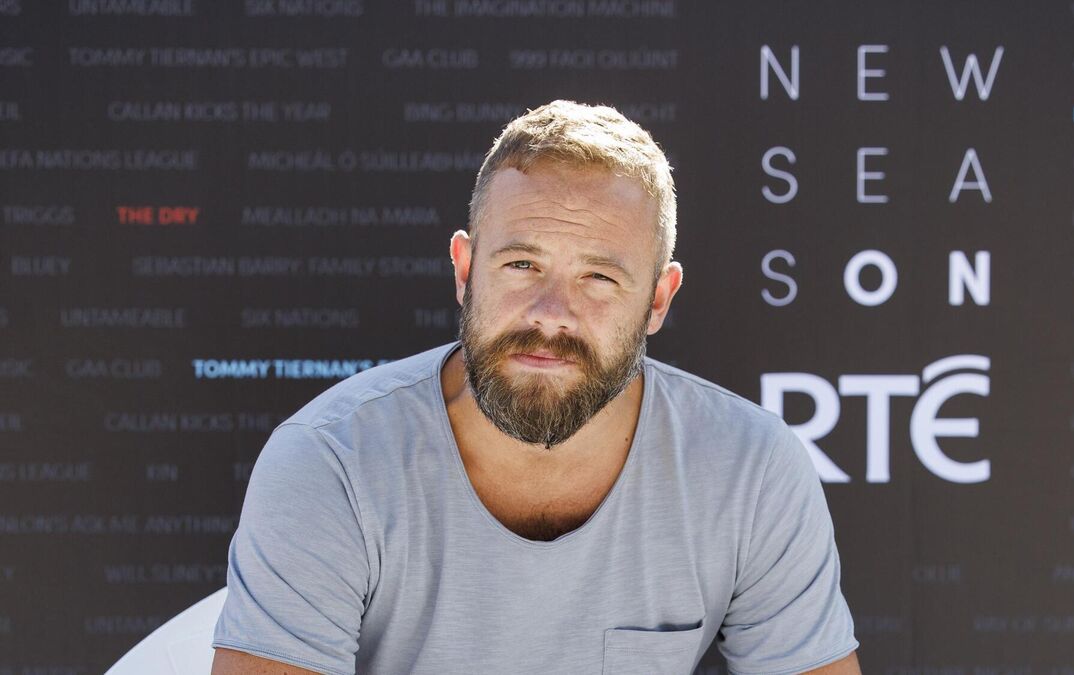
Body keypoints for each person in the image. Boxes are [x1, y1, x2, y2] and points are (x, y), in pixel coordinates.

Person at [211, 100, 860, 674]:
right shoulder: (331, 463)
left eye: (599, 278)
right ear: (465, 270)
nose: (552, 314)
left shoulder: (751, 470)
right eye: (522, 263)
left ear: (659, 300)